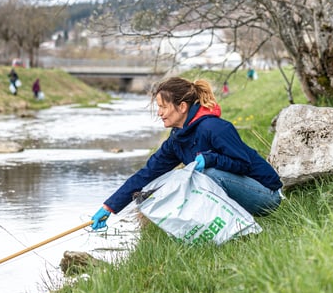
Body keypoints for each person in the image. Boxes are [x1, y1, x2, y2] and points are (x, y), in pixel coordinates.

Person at [90, 77, 283, 230]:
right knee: (180, 179)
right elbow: (146, 174)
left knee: (205, 175)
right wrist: (110, 207)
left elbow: (243, 164)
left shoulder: (214, 127)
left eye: (163, 106)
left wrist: (209, 159)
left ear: (182, 107)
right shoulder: (177, 139)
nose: (159, 113)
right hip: (240, 195)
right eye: (159, 107)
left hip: (266, 195)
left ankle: (236, 230)